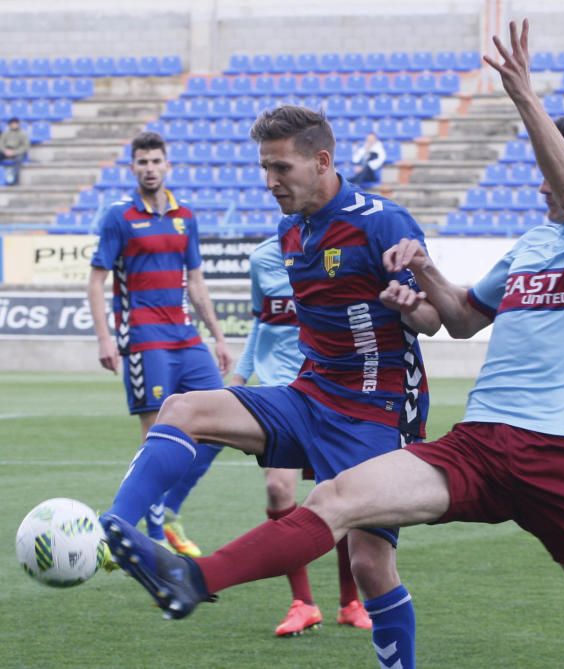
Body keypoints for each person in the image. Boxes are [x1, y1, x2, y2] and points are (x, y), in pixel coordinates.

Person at [101, 23, 564, 669]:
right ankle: (193, 579)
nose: (541, 186)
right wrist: (422, 284)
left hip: (556, 456)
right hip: (480, 443)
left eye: (556, 174)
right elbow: (463, 318)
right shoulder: (530, 246)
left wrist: (523, 95)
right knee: (333, 500)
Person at [99, 105, 440, 669]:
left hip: (377, 412)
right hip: (310, 395)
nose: (270, 181)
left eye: (281, 167)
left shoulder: (383, 221)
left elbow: (431, 319)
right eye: (265, 167)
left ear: (322, 160)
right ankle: (115, 527)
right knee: (182, 410)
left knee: (370, 565)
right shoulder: (289, 233)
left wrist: (412, 304)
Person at [88, 131, 232, 558]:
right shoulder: (119, 217)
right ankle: (147, 538)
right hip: (144, 336)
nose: (149, 168)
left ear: (167, 165)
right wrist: (105, 338)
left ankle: (167, 510)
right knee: (156, 436)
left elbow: (197, 284)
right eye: (142, 162)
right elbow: (97, 282)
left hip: (186, 337)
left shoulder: (184, 215)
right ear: (132, 168)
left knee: (222, 419)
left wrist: (219, 337)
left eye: (155, 161)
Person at [228, 235, 371, 636]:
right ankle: (303, 602)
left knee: (342, 494)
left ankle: (350, 601)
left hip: (331, 389)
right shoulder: (262, 257)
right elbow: (262, 321)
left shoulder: (340, 252)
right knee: (278, 488)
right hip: (280, 389)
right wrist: (241, 375)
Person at [0, 117, 30, 185]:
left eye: (16, 124)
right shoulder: (5, 133)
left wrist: (14, 152)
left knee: (18, 160)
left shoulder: (23, 134)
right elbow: (0, 143)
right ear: (9, 125)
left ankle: (15, 179)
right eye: (12, 124)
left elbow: (25, 146)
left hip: (17, 151)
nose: (14, 125)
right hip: (6, 150)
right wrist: (5, 151)